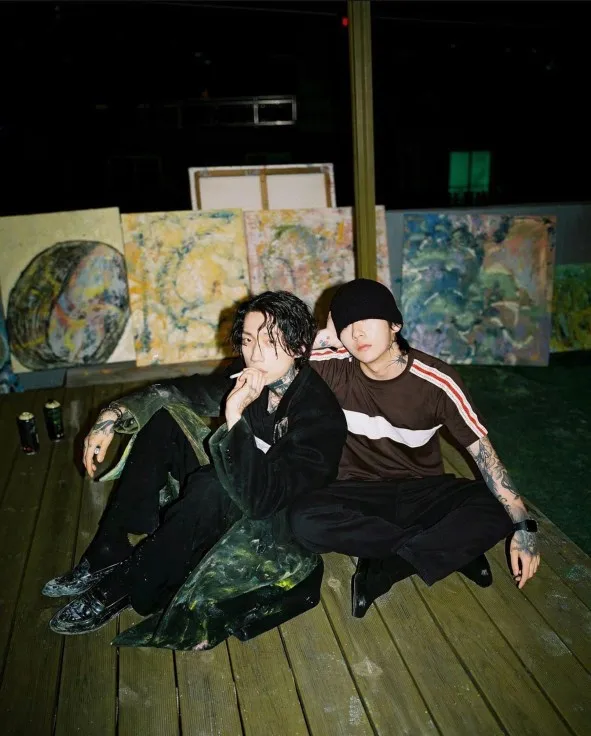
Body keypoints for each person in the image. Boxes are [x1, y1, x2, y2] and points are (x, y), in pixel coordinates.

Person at [44, 291, 347, 636]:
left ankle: (126, 585)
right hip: (238, 483)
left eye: (269, 341)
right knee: (165, 419)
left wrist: (234, 415)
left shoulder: (321, 417)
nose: (255, 353)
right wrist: (114, 413)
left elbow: (263, 500)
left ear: (298, 346)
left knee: (211, 485)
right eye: (248, 340)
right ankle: (110, 548)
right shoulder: (253, 373)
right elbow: (184, 393)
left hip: (272, 525)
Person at [289, 278, 540, 618]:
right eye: (347, 324)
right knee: (303, 520)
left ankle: (387, 566)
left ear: (395, 324)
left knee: (499, 507)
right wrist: (324, 336)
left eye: (366, 319)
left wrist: (524, 527)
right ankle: (446, 549)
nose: (357, 333)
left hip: (421, 490)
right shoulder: (332, 366)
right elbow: (277, 362)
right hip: (354, 490)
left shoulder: (437, 381)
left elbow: (487, 459)